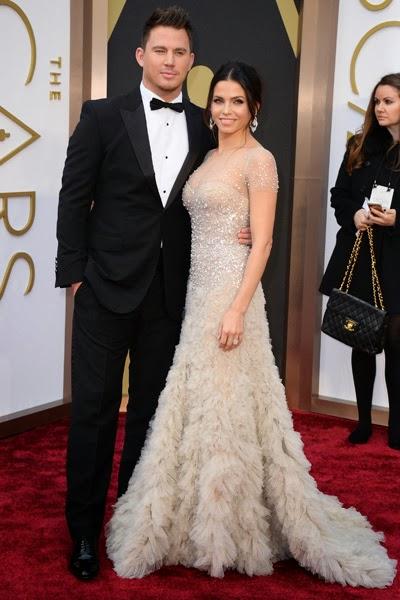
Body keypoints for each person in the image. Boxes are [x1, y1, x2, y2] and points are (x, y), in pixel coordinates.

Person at [106, 62, 396, 587]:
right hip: (197, 294)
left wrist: (238, 307)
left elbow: (261, 241)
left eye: (237, 101)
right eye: (218, 100)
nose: (225, 110)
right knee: (198, 404)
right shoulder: (209, 154)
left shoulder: (260, 162)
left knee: (230, 409)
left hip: (231, 296)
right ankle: (188, 515)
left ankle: (230, 522)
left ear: (254, 109)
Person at [56, 6, 251, 581]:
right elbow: (74, 195)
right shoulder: (100, 116)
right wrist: (74, 273)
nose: (170, 61)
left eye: (180, 52)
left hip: (170, 295)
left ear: (192, 62)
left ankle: (132, 519)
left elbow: (219, 192)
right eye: (160, 50)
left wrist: (238, 228)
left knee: (150, 414)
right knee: (91, 413)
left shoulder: (203, 124)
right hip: (103, 288)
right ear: (141, 55)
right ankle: (85, 532)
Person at [320, 73, 400, 450]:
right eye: (377, 101)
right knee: (362, 338)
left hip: (397, 259)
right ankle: (364, 420)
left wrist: (397, 218)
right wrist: (354, 215)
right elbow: (339, 196)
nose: (381, 108)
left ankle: (396, 424)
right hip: (363, 253)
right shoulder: (359, 146)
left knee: (397, 345)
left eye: (389, 101)